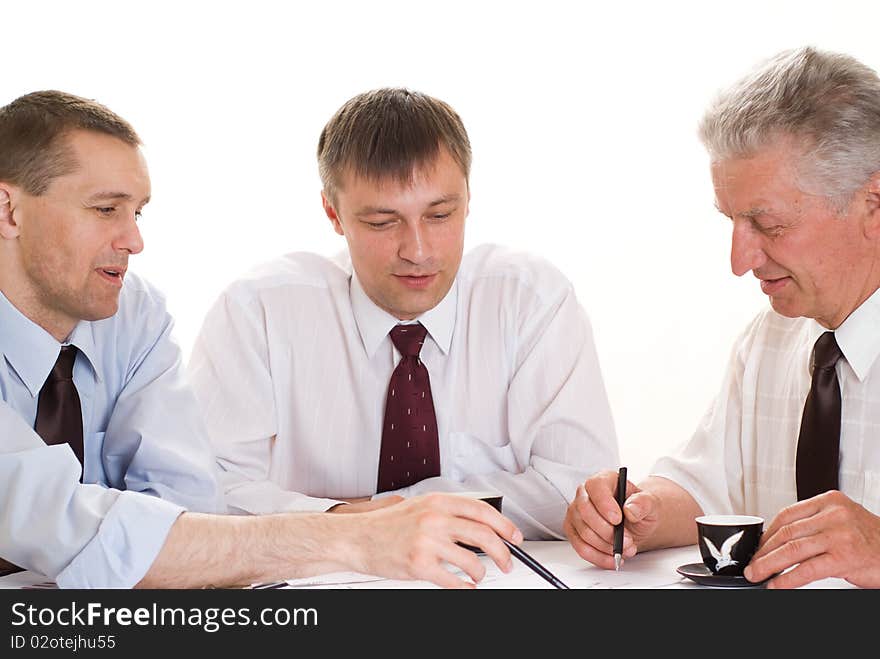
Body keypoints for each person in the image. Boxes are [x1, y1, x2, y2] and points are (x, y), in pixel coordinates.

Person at [0, 90, 521, 590]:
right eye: (105, 209)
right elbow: (55, 519)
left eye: (137, 212)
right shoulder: (250, 308)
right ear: (9, 210)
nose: (134, 240)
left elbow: (190, 505)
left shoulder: (133, 315)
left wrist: (169, 548)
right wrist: (351, 537)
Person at [188, 87, 619, 540]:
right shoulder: (258, 312)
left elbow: (580, 494)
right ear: (333, 214)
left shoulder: (530, 300)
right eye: (382, 222)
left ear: (468, 199)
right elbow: (203, 494)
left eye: (440, 215)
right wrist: (355, 527)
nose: (417, 251)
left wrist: (371, 515)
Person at [564, 46, 880, 589]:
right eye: (732, 221)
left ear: (873, 204)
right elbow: (709, 488)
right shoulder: (773, 337)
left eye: (770, 225)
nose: (739, 262)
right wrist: (635, 511)